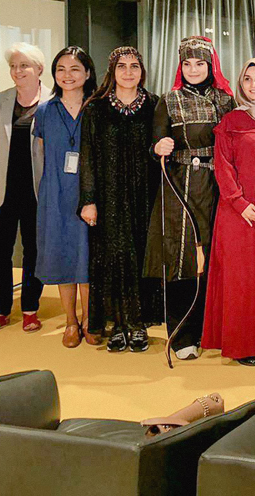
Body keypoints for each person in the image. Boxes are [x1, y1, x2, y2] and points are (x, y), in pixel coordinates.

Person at [146, 36, 235, 360]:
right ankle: (183, 335)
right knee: (183, 260)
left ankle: (214, 331)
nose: (193, 69)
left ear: (210, 66)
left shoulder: (226, 101)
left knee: (217, 260)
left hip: (219, 187)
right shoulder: (168, 100)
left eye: (199, 63)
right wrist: (159, 146)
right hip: (180, 186)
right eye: (187, 63)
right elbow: (155, 139)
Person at [201, 58, 255, 365]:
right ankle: (244, 344)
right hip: (237, 215)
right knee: (241, 281)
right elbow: (222, 168)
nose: (253, 85)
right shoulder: (230, 122)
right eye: (248, 79)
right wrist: (240, 204)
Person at [79, 47, 163, 351]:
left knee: (141, 255)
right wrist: (88, 200)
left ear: (142, 71)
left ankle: (138, 322)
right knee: (112, 258)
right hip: (108, 195)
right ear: (112, 71)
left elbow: (161, 149)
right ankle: (116, 323)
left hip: (145, 194)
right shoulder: (96, 108)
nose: (129, 72)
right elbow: (86, 157)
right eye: (122, 66)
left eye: (135, 66)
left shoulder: (155, 105)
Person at [0, 43, 50, 336]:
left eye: (24, 66)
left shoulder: (52, 102)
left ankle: (30, 308)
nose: (18, 72)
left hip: (36, 191)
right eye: (14, 66)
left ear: (39, 69)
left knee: (34, 251)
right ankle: (1, 309)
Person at [34, 47, 97, 348]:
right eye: (61, 69)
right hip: (55, 193)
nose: (67, 75)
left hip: (89, 193)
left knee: (87, 256)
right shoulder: (45, 110)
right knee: (62, 257)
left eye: (75, 69)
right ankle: (70, 321)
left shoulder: (98, 107)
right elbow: (39, 156)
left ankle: (89, 319)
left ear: (87, 73)